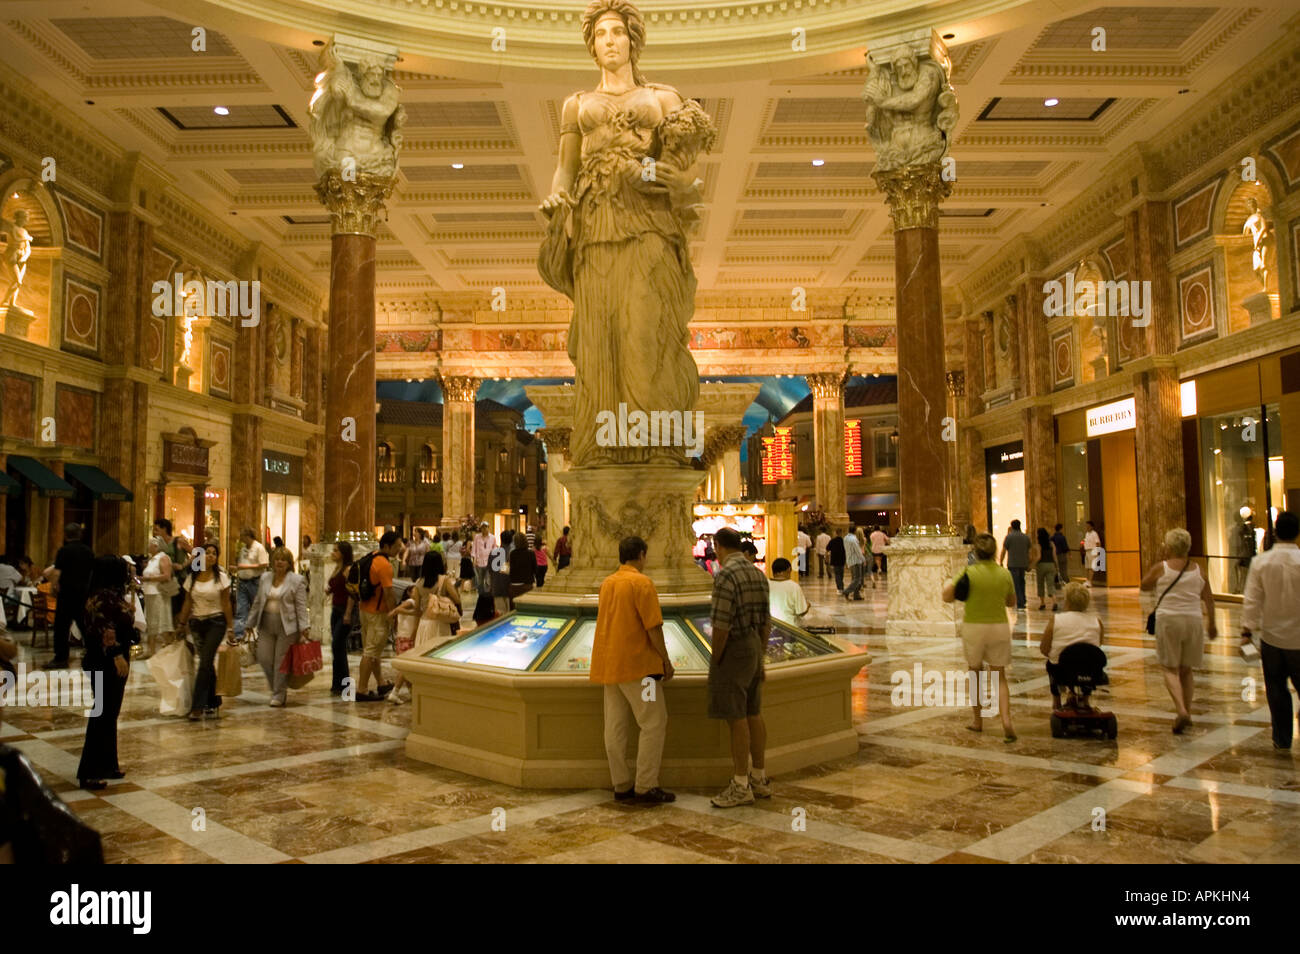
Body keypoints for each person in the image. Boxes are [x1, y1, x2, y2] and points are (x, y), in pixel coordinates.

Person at [591, 536, 674, 803]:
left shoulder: (608, 583)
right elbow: (653, 627)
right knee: (653, 722)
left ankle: (621, 783)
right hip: (641, 670)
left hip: (610, 665)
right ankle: (646, 785)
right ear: (641, 555)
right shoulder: (642, 583)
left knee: (614, 726)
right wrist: (666, 660)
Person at [708, 527, 772, 808]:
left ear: (719, 547)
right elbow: (767, 622)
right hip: (755, 645)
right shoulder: (758, 574)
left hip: (734, 648)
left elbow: (721, 625)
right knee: (753, 711)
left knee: (736, 718)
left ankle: (740, 783)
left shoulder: (725, 575)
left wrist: (716, 658)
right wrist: (761, 653)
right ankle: (758, 777)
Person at [1139, 528, 1216, 734]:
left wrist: (1156, 562)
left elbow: (1144, 585)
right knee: (1186, 669)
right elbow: (1208, 598)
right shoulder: (1199, 570)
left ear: (1170, 547)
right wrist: (1213, 624)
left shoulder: (1162, 567)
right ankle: (1187, 711)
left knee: (1169, 668)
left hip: (1169, 620)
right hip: (1193, 620)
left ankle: (1180, 709)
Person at [942, 532, 1017, 741]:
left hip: (974, 627)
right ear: (994, 552)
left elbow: (947, 595)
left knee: (975, 674)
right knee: (999, 676)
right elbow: (1011, 602)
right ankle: (1006, 720)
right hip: (999, 627)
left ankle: (977, 720)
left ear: (976, 552)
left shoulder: (969, 572)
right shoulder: (1004, 574)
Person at [75, 556, 140, 790]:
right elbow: (105, 629)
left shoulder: (105, 594)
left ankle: (108, 764)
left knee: (110, 712)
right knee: (102, 713)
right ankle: (89, 770)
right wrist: (116, 654)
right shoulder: (103, 597)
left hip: (107, 658)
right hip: (107, 660)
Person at [1242, 510, 1300, 749]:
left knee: (1276, 689)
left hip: (1272, 638)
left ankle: (1282, 738)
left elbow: (1252, 600)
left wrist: (1246, 631)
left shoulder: (1261, 562)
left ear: (1275, 532)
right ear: (1297, 533)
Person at [388, 551, 461, 705]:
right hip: (439, 623)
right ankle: (440, 691)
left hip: (424, 623)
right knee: (440, 657)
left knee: (424, 659)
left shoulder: (419, 583)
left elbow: (416, 610)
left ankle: (426, 691)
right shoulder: (444, 580)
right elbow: (457, 598)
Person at [174, 541, 234, 721]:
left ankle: (197, 706)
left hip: (216, 622)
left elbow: (226, 603)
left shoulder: (221, 577)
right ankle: (213, 701)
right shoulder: (192, 578)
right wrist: (181, 624)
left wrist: (230, 627)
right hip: (197, 624)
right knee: (206, 664)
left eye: (214, 553)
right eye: (207, 552)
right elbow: (187, 602)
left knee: (205, 661)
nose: (210, 556)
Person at [245, 547, 311, 708]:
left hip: (287, 626)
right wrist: (249, 624)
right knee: (264, 658)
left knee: (281, 660)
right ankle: (277, 687)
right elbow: (258, 602)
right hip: (266, 623)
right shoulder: (265, 578)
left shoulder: (296, 580)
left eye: (283, 560)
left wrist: (304, 627)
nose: (279, 562)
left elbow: (301, 606)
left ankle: (278, 693)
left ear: (289, 564)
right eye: (277, 559)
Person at [1040, 583, 1103, 709]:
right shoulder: (1097, 622)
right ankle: (1085, 699)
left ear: (1067, 602)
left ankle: (1056, 700)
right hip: (1090, 668)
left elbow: (1044, 648)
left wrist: (1053, 654)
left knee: (1051, 665)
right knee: (1085, 662)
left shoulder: (1056, 620)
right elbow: (1097, 645)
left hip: (1062, 669)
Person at [356, 532, 400, 702]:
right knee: (371, 652)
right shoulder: (384, 565)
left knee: (373, 651)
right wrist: (393, 614)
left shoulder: (371, 557)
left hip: (365, 610)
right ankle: (362, 689)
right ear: (387, 546)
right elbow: (389, 593)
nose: (399, 549)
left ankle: (381, 683)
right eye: (396, 546)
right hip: (377, 613)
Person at [46, 523, 95, 669]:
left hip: (66, 593)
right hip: (83, 593)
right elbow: (92, 572)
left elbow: (57, 572)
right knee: (85, 625)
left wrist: (53, 588)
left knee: (61, 626)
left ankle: (61, 658)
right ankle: (92, 653)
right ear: (80, 535)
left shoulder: (64, 551)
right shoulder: (88, 551)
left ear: (66, 535)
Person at [138, 536, 175, 657]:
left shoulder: (163, 558)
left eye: (150, 544)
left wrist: (147, 579)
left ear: (156, 546)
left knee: (161, 622)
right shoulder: (152, 559)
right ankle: (151, 649)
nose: (148, 546)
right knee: (151, 623)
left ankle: (170, 647)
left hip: (159, 594)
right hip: (150, 593)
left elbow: (166, 576)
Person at [327, 541, 355, 696]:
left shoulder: (348, 569)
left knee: (337, 645)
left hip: (345, 611)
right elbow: (336, 587)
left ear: (343, 553)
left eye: (336, 550)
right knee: (337, 648)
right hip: (335, 610)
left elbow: (351, 593)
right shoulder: (337, 568)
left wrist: (348, 613)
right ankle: (337, 683)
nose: (333, 552)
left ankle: (345, 684)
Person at [233, 528, 269, 642]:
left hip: (255, 582)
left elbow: (264, 564)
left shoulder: (259, 548)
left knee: (257, 608)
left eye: (242, 536)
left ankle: (260, 633)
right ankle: (239, 635)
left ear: (248, 536)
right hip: (243, 581)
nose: (240, 538)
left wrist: (245, 567)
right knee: (241, 608)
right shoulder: (243, 548)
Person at [999, 519, 1031, 610]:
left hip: (1013, 563)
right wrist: (1029, 563)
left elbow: (1004, 550)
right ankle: (1023, 599)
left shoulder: (1009, 537)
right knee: (1022, 581)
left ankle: (1020, 602)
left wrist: (1001, 561)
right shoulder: (1025, 537)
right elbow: (1029, 552)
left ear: (1012, 526)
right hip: (1023, 563)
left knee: (1015, 583)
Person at [767, 558, 809, 625]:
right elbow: (801, 612)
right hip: (788, 628)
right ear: (789, 569)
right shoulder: (794, 586)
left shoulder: (765, 584)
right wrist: (807, 606)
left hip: (769, 626)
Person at [509, 531, 537, 606]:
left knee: (514, 609)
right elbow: (535, 569)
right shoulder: (531, 553)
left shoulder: (512, 554)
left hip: (514, 585)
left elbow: (511, 568)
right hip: (527, 584)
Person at [1034, 527, 1057, 611]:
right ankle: (1054, 601)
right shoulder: (1051, 544)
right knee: (1050, 584)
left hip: (1041, 565)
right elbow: (1054, 556)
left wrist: (1033, 564)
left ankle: (1042, 603)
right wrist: (1056, 565)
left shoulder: (1038, 544)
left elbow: (1039, 556)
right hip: (1051, 564)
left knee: (1040, 584)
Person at [843, 525, 866, 601]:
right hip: (856, 561)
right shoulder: (853, 539)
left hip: (850, 560)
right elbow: (858, 551)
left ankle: (856, 595)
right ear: (855, 531)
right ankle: (847, 591)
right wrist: (863, 559)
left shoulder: (845, 538)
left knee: (854, 579)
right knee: (857, 579)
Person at [471, 522, 495, 595]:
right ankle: (481, 595)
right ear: (481, 528)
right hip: (479, 561)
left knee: (488, 580)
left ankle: (487, 595)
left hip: (489, 562)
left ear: (488, 527)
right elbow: (474, 548)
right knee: (480, 581)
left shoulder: (492, 537)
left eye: (486, 527)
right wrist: (474, 559)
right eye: (483, 527)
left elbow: (494, 549)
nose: (484, 529)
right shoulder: (477, 537)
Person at [1051, 523, 1071, 590]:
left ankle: (1056, 584)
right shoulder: (1062, 537)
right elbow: (1065, 547)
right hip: (1062, 555)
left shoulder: (1052, 538)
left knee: (1056, 570)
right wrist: (1069, 554)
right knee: (1064, 570)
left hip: (1055, 556)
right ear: (1061, 529)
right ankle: (1067, 585)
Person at [1082, 521, 1102, 587]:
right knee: (1087, 567)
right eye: (1086, 525)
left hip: (1092, 551)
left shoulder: (1094, 533)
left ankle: (1090, 581)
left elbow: (1098, 543)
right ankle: (1087, 580)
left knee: (1091, 567)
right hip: (1087, 551)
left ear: (1091, 526)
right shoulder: (1087, 533)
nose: (1087, 527)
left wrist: (1098, 552)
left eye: (1088, 526)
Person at [827, 528, 846, 593]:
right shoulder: (844, 541)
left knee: (837, 574)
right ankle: (841, 587)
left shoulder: (832, 541)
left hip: (835, 560)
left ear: (836, 533)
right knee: (841, 574)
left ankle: (839, 588)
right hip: (842, 560)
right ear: (841, 533)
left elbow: (827, 549)